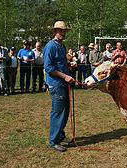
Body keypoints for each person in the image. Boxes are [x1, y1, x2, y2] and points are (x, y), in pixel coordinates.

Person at [44, 21, 75, 152]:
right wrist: (65, 76)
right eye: (60, 30)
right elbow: (49, 68)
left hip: (63, 83)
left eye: (64, 31)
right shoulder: (50, 46)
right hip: (56, 84)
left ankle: (60, 136)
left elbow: (60, 64)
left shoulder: (62, 46)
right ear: (54, 31)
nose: (62, 33)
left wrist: (69, 65)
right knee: (58, 112)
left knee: (65, 111)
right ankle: (53, 141)